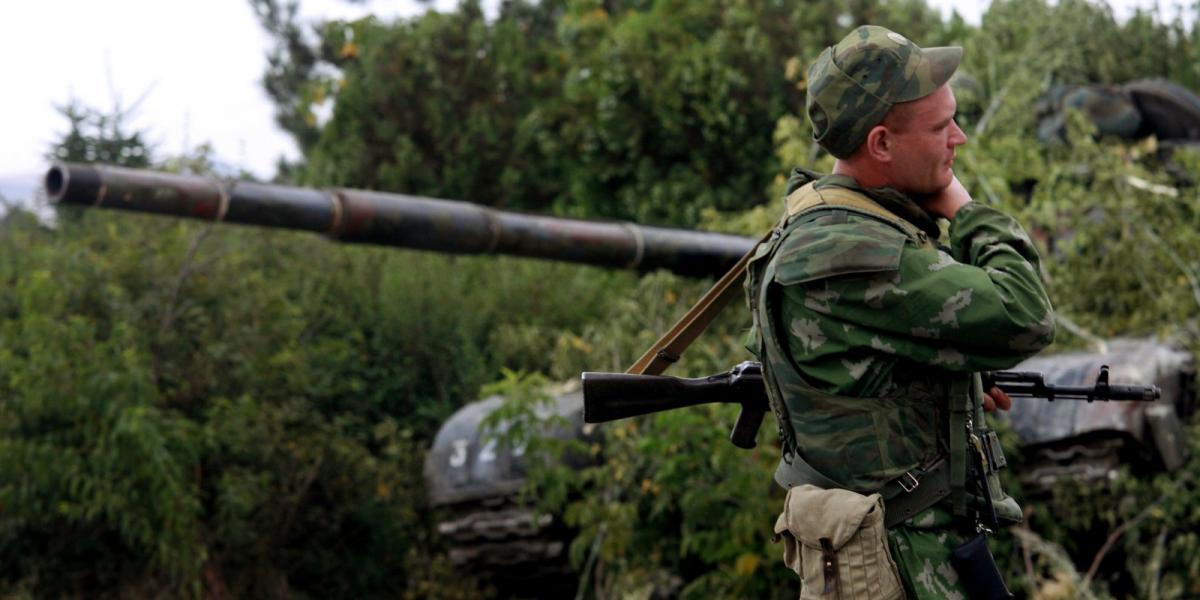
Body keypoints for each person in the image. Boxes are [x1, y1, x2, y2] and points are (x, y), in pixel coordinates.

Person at [745, 26, 1055, 598]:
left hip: (915, 553)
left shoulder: (836, 223)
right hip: (892, 566)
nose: (958, 139)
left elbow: (849, 366)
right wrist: (963, 208)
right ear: (882, 144)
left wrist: (933, 388)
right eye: (941, 128)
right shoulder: (850, 248)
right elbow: (1025, 313)